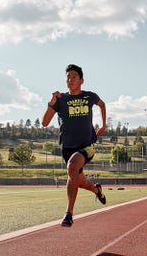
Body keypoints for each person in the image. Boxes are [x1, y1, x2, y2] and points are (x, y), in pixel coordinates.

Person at [42, 64, 107, 227]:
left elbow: (102, 104)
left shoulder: (89, 96)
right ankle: (96, 190)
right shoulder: (60, 99)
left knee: (72, 166)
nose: (70, 80)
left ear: (81, 81)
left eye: (73, 77)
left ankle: (68, 214)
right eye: (68, 77)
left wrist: (103, 124)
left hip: (87, 145)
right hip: (67, 147)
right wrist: (52, 102)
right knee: (79, 180)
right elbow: (44, 122)